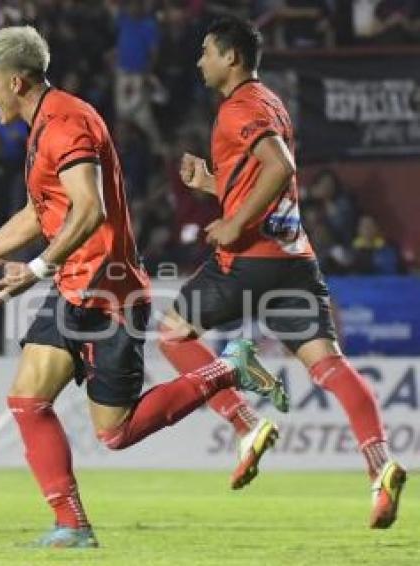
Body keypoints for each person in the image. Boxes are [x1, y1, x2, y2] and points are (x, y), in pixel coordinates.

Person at [0, 25, 288, 548]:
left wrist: (38, 269)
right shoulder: (46, 123)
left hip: (103, 289)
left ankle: (229, 365)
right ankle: (71, 525)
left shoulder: (67, 124)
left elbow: (89, 209)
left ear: (17, 82)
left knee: (114, 432)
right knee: (27, 400)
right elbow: (37, 213)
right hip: (75, 282)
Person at [161, 16, 406, 529]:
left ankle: (244, 422)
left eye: (207, 51)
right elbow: (260, 174)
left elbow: (281, 168)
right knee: (330, 365)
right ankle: (380, 467)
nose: (200, 60)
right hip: (296, 259)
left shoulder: (239, 108)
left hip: (250, 260)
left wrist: (232, 223)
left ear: (231, 58)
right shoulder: (269, 101)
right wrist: (214, 185)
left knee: (173, 333)